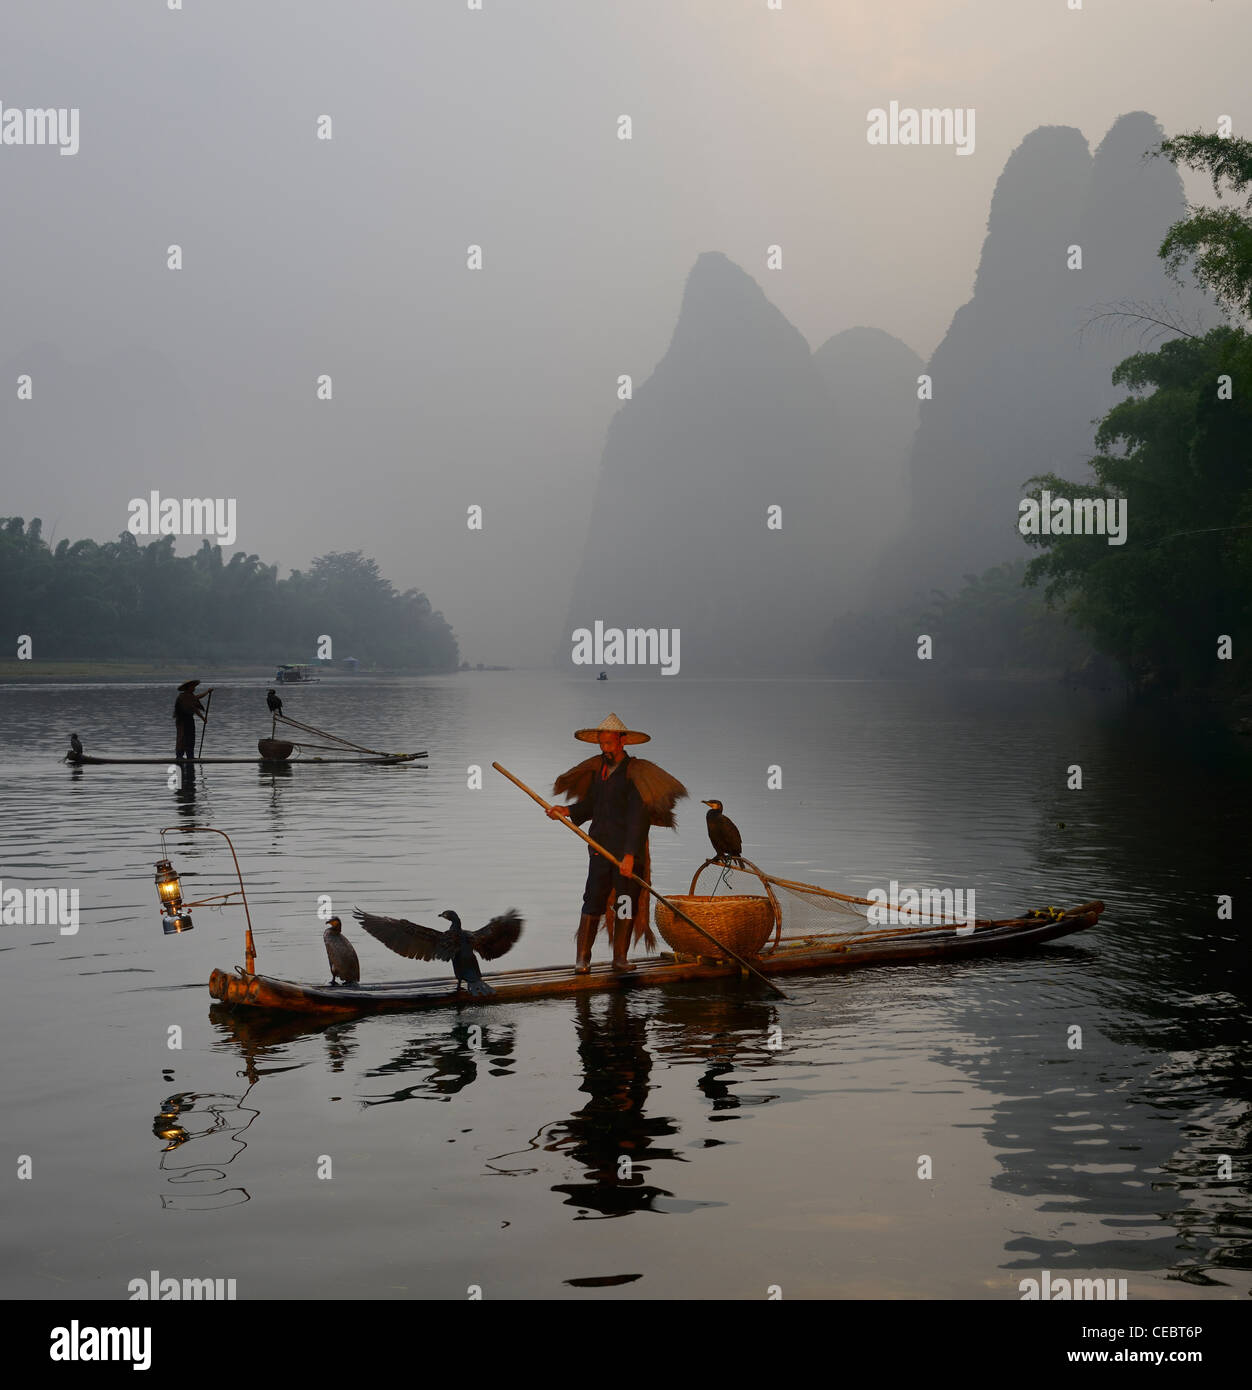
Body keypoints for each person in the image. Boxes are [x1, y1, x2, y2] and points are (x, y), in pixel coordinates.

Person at [548, 713, 686, 973]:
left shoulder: (635, 773)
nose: (605, 749)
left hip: (627, 852)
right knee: (592, 899)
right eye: (602, 744)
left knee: (625, 901)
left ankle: (620, 958)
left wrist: (630, 855)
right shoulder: (598, 771)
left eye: (609, 744)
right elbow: (591, 805)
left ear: (622, 742)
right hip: (599, 847)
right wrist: (567, 811)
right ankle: (582, 959)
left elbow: (639, 817)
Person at [173, 679, 211, 762]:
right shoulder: (183, 696)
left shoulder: (190, 696)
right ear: (188, 687)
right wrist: (202, 718)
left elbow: (197, 698)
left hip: (189, 720)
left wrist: (207, 692)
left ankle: (190, 756)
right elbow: (193, 707)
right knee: (182, 737)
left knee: (191, 737)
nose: (194, 688)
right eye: (193, 687)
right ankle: (179, 756)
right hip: (182, 721)